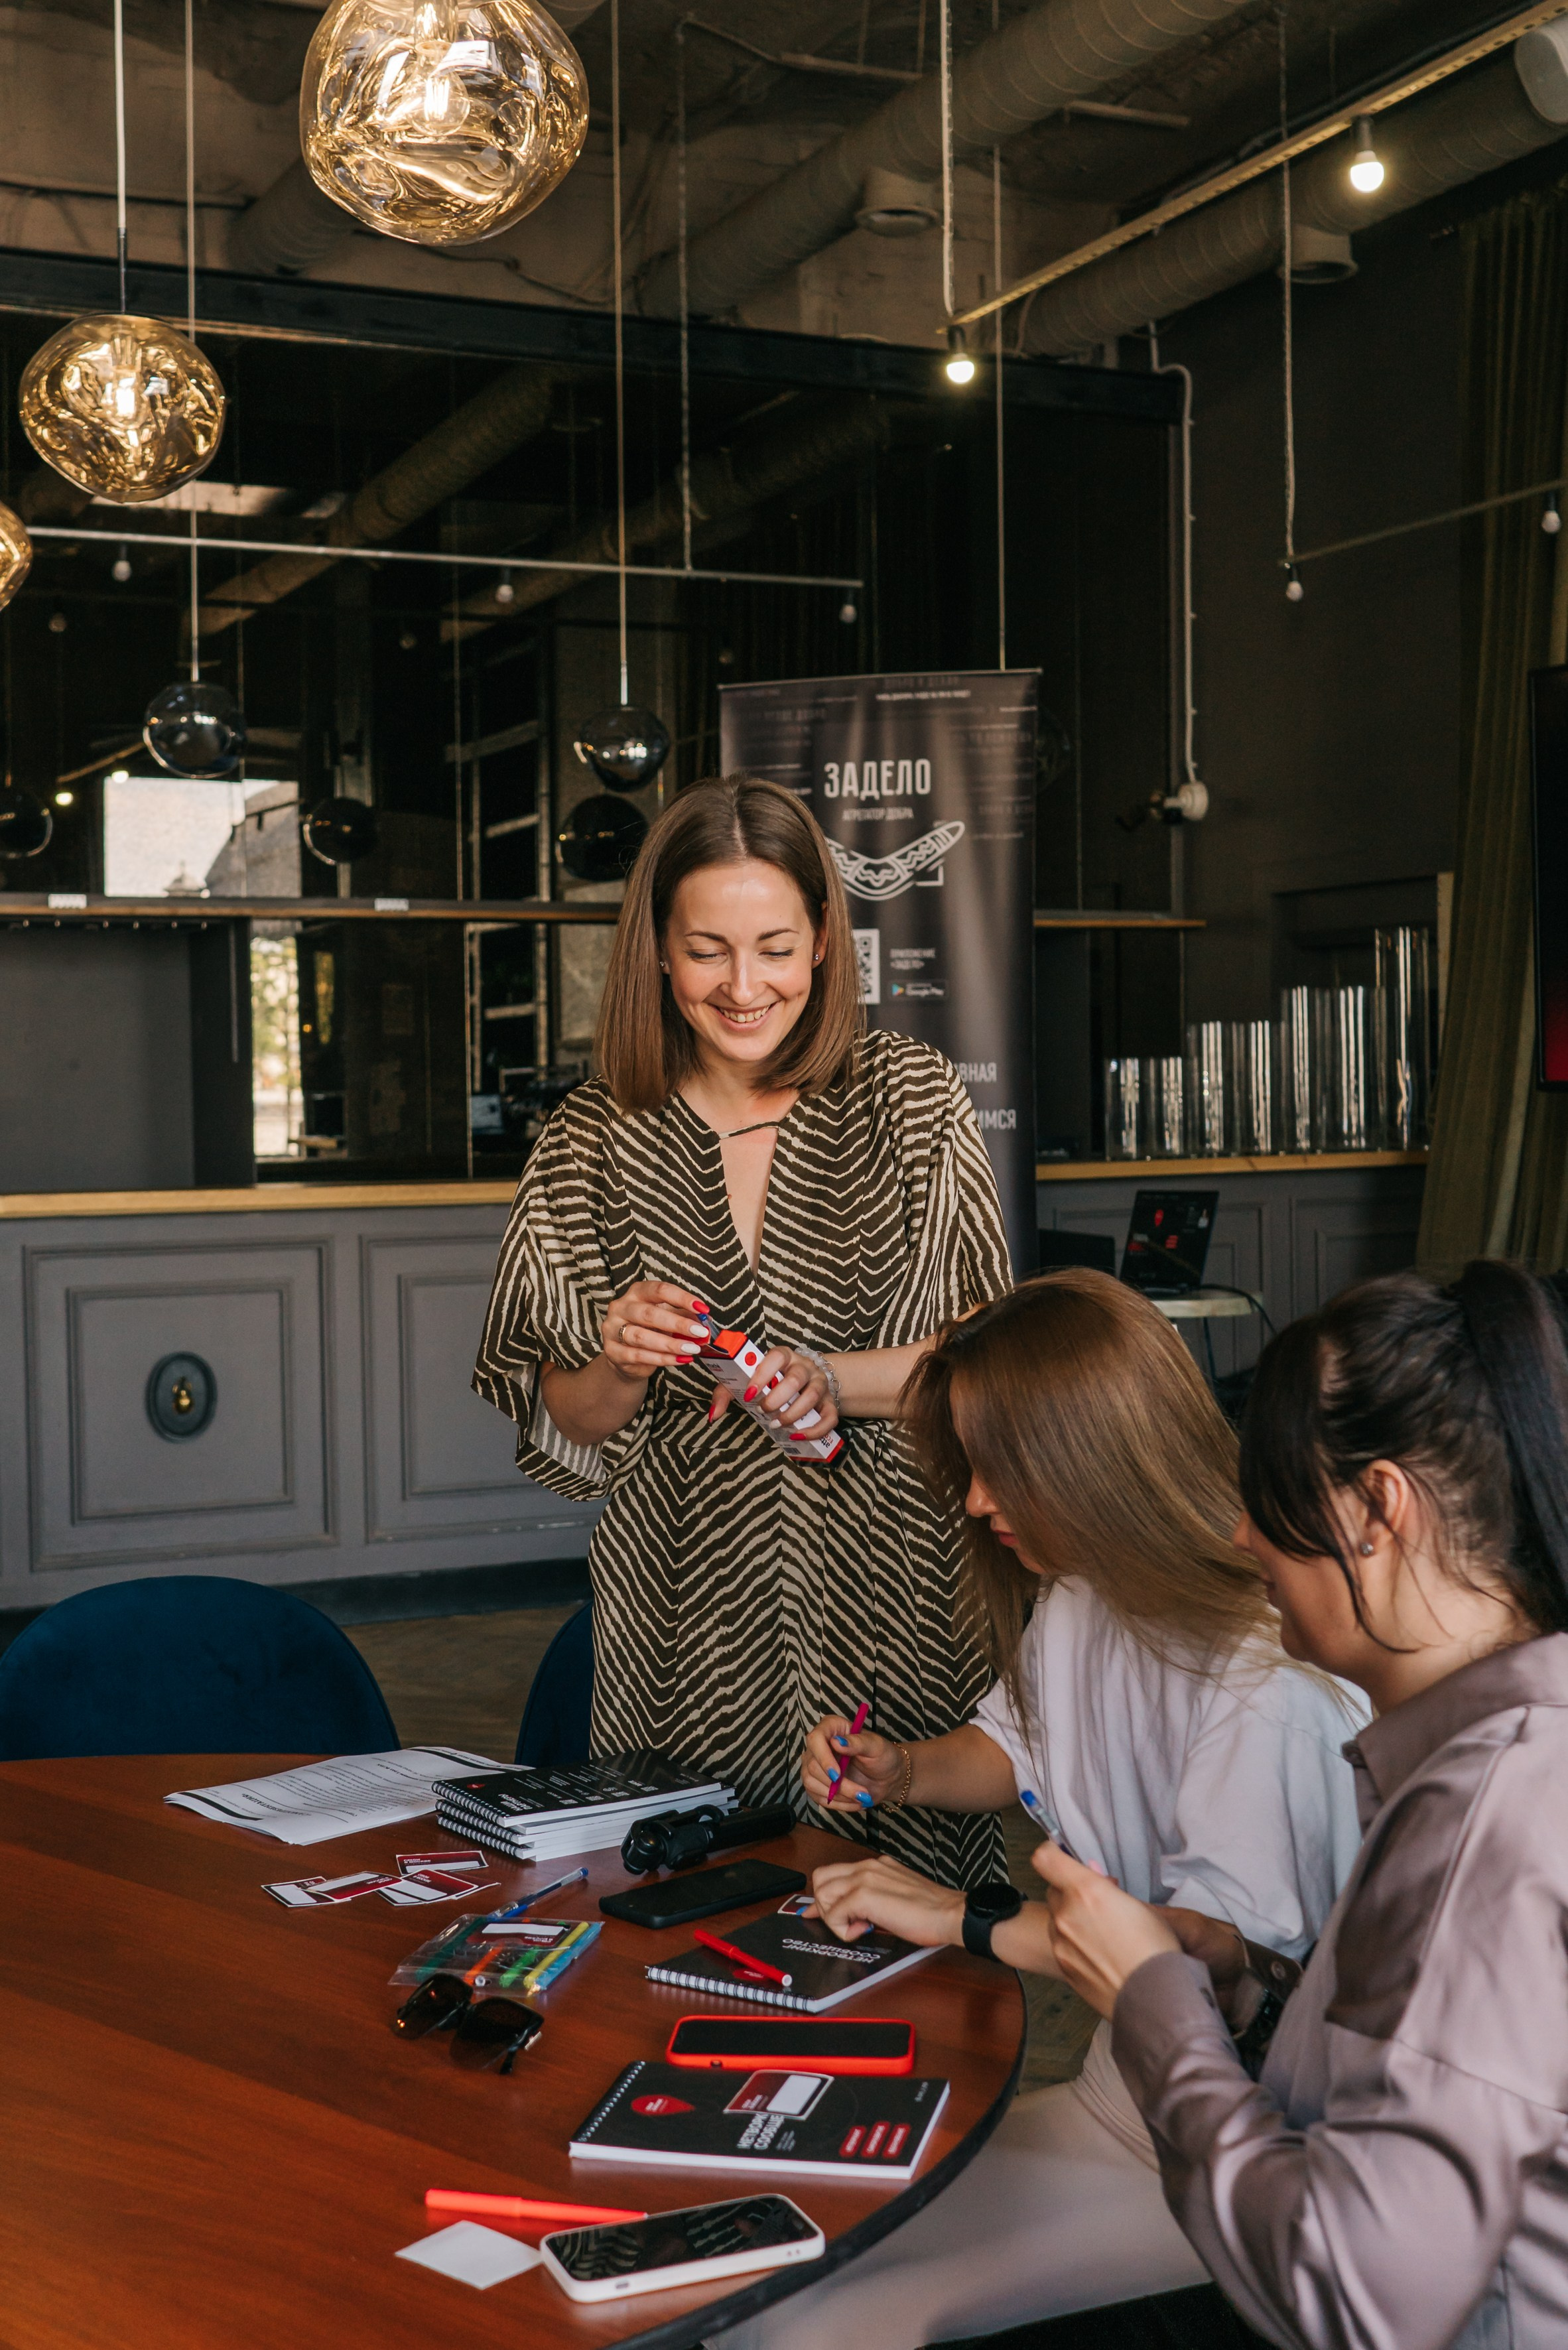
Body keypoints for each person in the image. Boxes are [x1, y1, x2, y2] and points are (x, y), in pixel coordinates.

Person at [713, 1271, 1368, 2350]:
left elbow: (1196, 1961)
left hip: (1245, 2144)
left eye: (1000, 1468)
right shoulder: (1081, 1596)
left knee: (813, 2322)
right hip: (1125, 2088)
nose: (976, 1501)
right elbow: (1012, 1749)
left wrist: (957, 1916)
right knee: (768, 2266)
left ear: (1095, 1456)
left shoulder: (1272, 1687)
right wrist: (901, 1770)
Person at [473, 774, 1013, 1884]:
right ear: (657, 954)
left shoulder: (910, 1100)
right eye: (707, 950)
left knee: (901, 1911)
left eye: (775, 947)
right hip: (682, 1608)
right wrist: (620, 1359)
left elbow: (984, 1365)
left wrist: (828, 1377)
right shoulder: (590, 1140)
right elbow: (568, 1420)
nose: (745, 985)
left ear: (822, 940)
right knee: (685, 1897)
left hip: (893, 1585)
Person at [1026, 1261, 1568, 2350]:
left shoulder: (1486, 1814)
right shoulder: (1489, 1755)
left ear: (1377, 1508)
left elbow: (1355, 2296)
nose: (1242, 1537)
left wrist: (1150, 2001)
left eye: (1269, 1493)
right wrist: (1255, 1978)